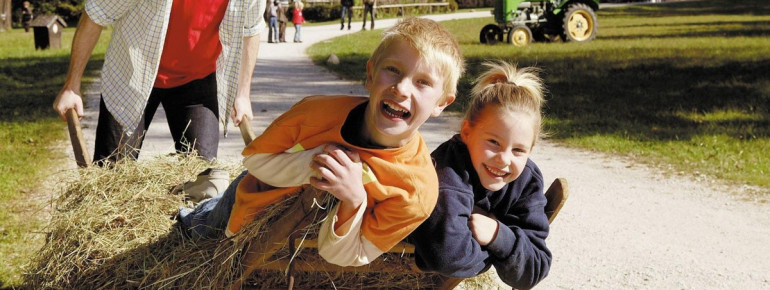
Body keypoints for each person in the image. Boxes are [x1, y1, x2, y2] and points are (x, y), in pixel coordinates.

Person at [178, 17, 465, 267]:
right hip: (262, 196)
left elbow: (349, 254)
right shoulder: (314, 111)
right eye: (393, 70)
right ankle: (201, 205)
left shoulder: (417, 191)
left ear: (442, 103)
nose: (401, 88)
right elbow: (254, 160)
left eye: (423, 82)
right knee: (198, 229)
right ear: (370, 74)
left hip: (312, 241)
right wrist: (314, 163)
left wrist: (353, 198)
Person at [52, 0, 266, 166]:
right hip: (132, 77)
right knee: (112, 176)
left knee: (203, 181)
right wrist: (72, 86)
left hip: (197, 82)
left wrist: (243, 94)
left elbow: (251, 29)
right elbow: (96, 13)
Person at [409, 61, 551, 289]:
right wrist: (498, 257)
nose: (504, 159)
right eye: (494, 142)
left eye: (518, 150)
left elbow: (535, 268)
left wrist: (497, 234)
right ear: (467, 132)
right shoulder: (448, 169)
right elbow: (447, 255)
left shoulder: (527, 181)